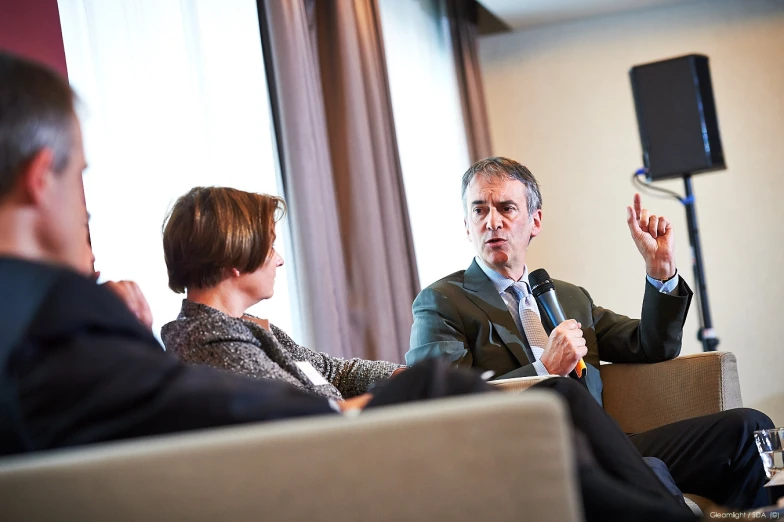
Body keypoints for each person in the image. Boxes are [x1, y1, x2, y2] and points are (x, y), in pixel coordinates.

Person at [407, 156, 773, 510]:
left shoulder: (567, 295)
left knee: (751, 429)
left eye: (506, 208)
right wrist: (544, 368)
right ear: (466, 226)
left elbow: (653, 345)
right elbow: (444, 405)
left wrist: (660, 272)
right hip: (532, 454)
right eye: (479, 210)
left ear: (534, 222)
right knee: (652, 471)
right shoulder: (441, 301)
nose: (492, 222)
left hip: (610, 442)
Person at [160, 187, 403, 410]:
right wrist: (413, 388)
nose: (279, 260)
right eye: (271, 246)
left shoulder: (243, 325)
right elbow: (310, 417)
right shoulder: (212, 344)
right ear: (235, 258)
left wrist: (401, 375)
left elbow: (331, 373)